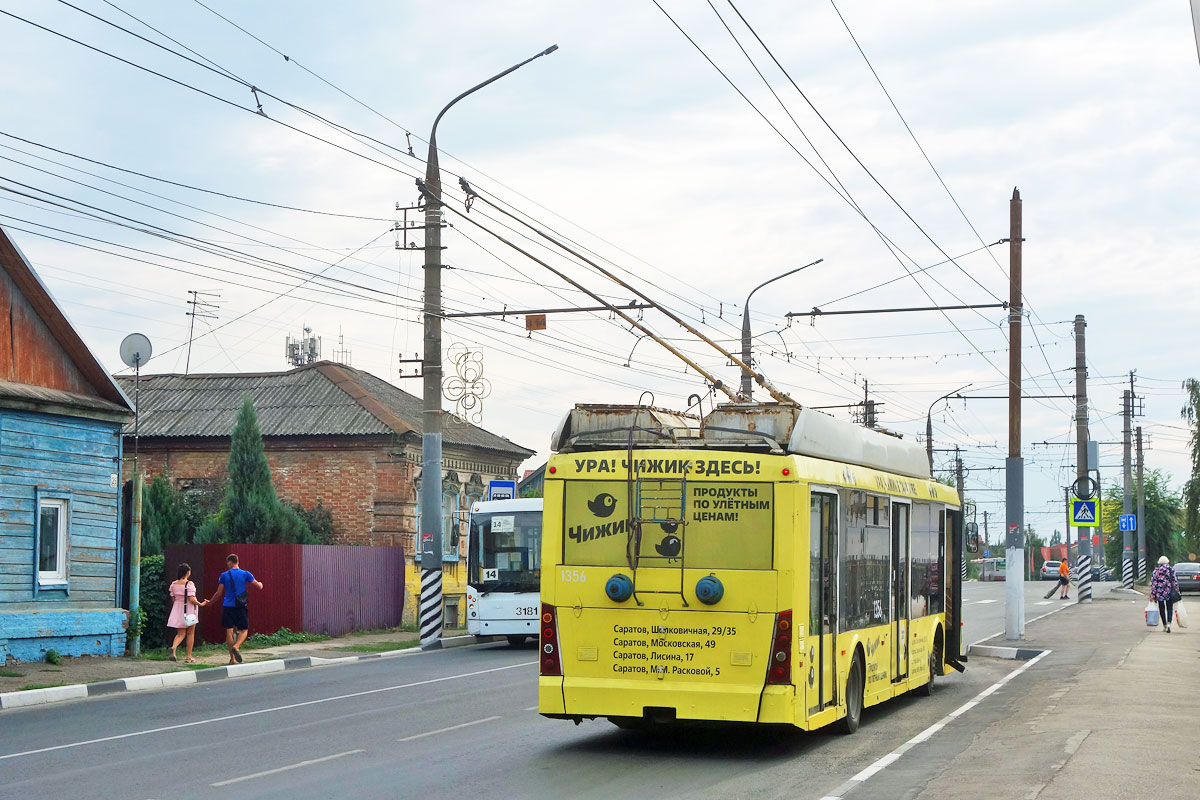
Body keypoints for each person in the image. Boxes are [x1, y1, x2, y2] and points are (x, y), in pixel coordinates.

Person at [204, 553, 263, 664]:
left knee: (229, 632)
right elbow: (258, 586)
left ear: (230, 562)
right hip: (240, 606)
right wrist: (261, 583)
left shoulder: (224, 575)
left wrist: (210, 602)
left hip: (228, 606)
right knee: (244, 630)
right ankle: (236, 646)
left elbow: (219, 593)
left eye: (228, 563)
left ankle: (232, 659)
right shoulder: (246, 574)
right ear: (238, 562)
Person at [167, 563, 207, 662]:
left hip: (178, 609)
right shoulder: (189, 584)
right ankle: (188, 657)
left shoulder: (173, 584)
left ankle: (173, 647)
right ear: (187, 573)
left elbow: (173, 598)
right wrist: (201, 604)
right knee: (190, 633)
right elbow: (192, 599)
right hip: (189, 610)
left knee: (180, 634)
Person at [1149, 555, 1180, 633]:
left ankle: (1164, 625)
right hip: (1169, 592)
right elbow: (1174, 581)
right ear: (1167, 562)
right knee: (1170, 607)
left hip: (1159, 593)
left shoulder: (1156, 570)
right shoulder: (1171, 570)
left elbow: (1153, 583)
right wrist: (1177, 589)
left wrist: (1153, 594)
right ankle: (1169, 623)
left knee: (1161, 608)